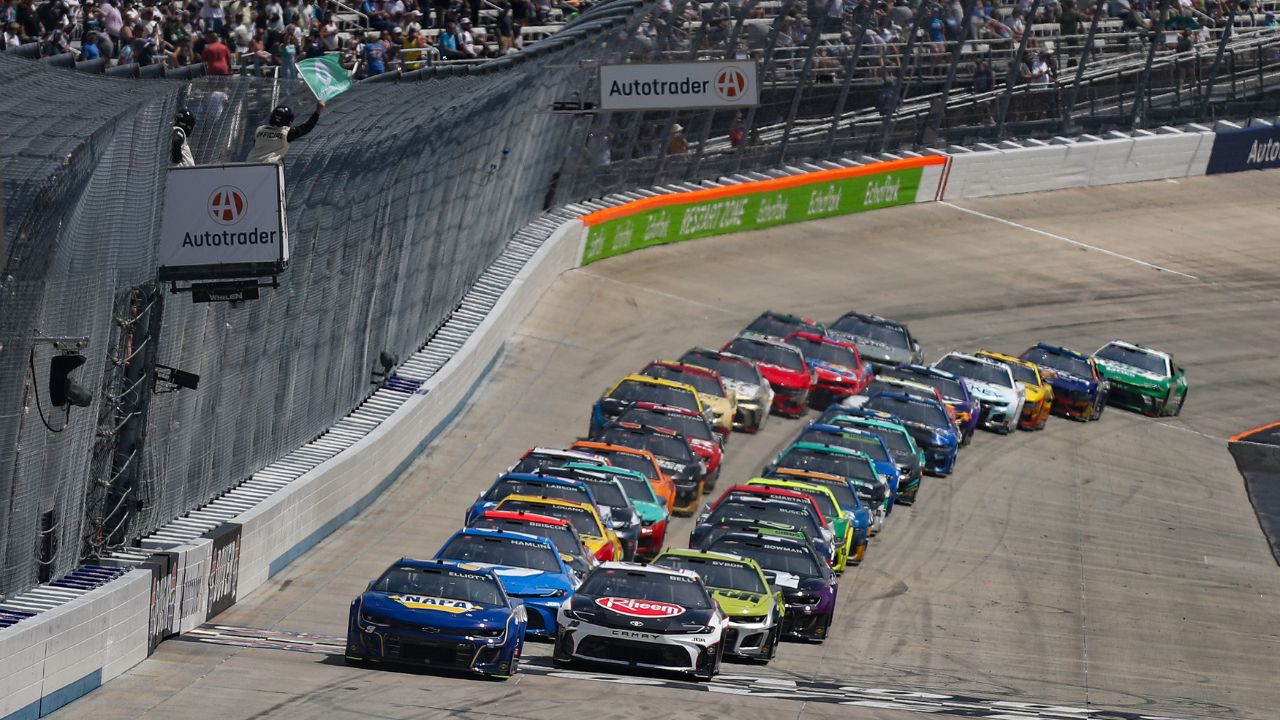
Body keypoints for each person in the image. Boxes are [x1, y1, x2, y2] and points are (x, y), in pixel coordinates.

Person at [245, 102, 325, 164]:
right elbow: (306, 127)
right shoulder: (286, 133)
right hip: (268, 168)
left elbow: (257, 145)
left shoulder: (260, 130)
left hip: (250, 164)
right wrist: (318, 111)